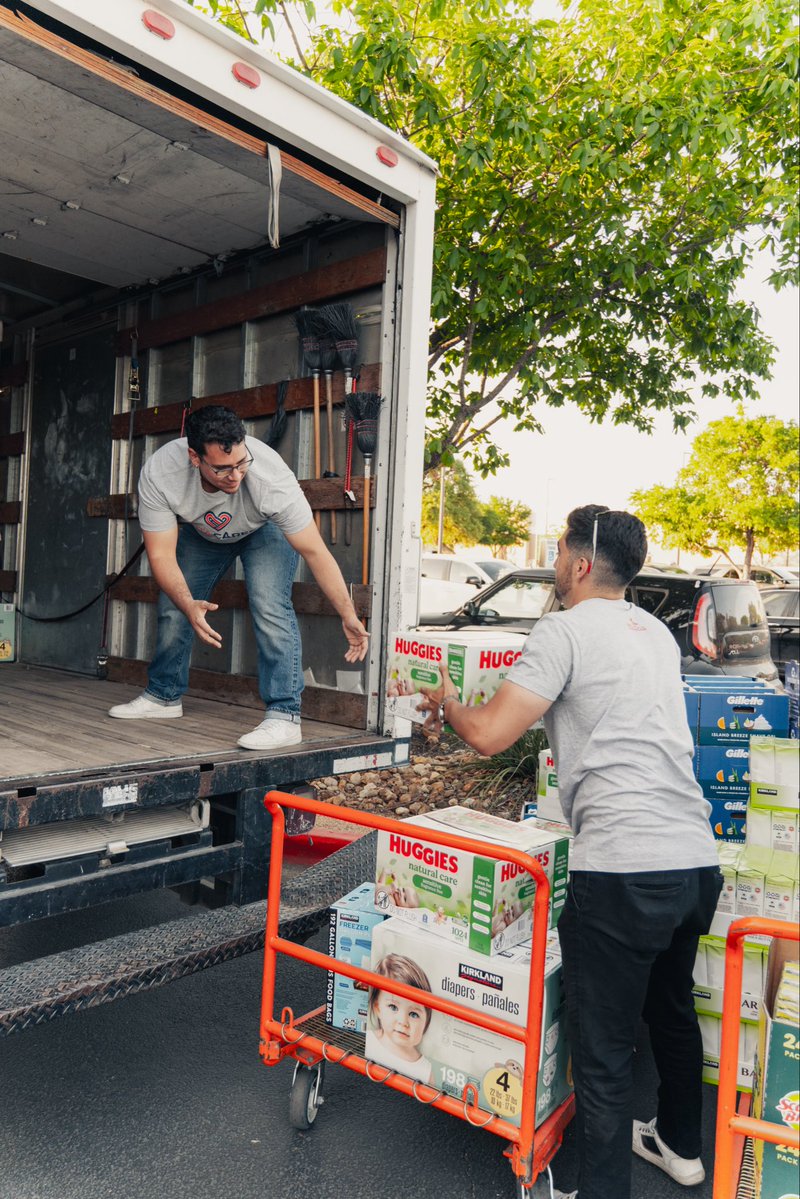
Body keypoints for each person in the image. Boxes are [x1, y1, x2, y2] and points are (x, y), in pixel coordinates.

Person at [417, 505, 721, 1199]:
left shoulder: (563, 628)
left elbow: (492, 734)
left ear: (581, 563)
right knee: (672, 1007)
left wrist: (449, 701)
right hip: (693, 858)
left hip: (622, 868)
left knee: (604, 1049)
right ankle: (681, 1146)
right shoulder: (657, 635)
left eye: (557, 550)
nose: (554, 562)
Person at [108, 405, 368, 750]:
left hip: (265, 529)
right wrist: (188, 602)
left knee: (269, 607)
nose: (235, 476)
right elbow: (160, 555)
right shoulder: (161, 473)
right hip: (204, 533)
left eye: (241, 463)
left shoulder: (271, 479)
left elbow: (316, 553)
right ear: (194, 457)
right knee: (175, 604)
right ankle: (164, 696)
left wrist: (348, 614)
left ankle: (284, 716)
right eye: (222, 468)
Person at [365, 953, 434, 1085]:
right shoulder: (370, 1041)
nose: (403, 1022)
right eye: (393, 1007)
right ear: (378, 1008)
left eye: (414, 1014)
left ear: (426, 1021)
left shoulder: (426, 1070)